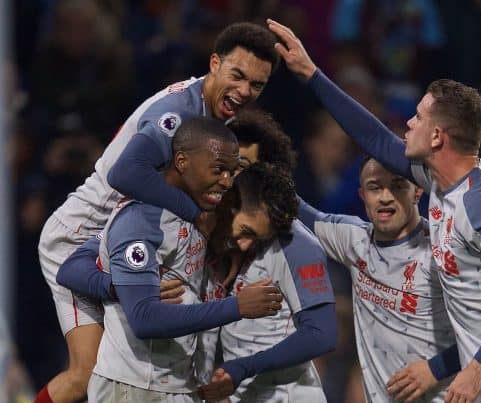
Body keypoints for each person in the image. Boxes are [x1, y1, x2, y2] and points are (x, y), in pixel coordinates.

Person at [267, 19, 481, 403]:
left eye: (419, 117)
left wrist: (477, 368)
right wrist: (311, 74)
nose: (409, 122)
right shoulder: (442, 176)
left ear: (438, 136)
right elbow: (373, 137)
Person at [36, 22, 280, 403]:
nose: (245, 90)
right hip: (82, 236)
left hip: (131, 236)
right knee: (85, 376)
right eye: (238, 75)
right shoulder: (177, 111)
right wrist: (194, 212)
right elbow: (126, 172)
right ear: (214, 63)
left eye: (257, 85)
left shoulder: (215, 114)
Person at [57, 118, 286, 402]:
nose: (227, 181)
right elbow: (142, 318)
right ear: (182, 161)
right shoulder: (143, 218)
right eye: (219, 170)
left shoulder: (196, 219)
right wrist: (237, 307)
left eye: (232, 171)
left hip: (177, 388)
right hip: (133, 387)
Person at [296, 156, 457, 402]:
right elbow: (293, 207)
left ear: (417, 193)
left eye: (398, 186)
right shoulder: (353, 240)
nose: (385, 196)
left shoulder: (442, 253)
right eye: (375, 187)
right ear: (363, 195)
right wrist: (254, 163)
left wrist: (436, 368)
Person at [200, 163, 337, 403]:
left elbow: (321, 334)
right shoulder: (214, 240)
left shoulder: (297, 244)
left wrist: (243, 368)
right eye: (246, 231)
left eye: (253, 236)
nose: (244, 244)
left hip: (289, 395)